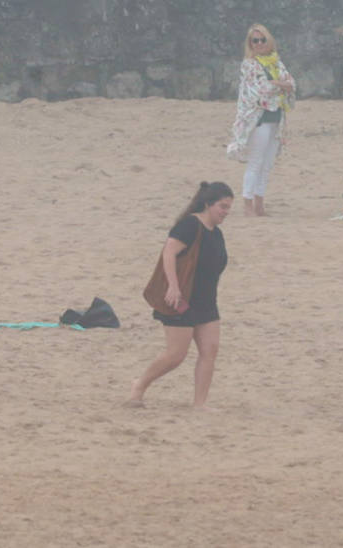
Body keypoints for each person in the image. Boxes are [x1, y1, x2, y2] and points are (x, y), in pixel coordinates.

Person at [127, 181, 234, 409]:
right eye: (222, 207)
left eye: (228, 208)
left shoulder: (217, 233)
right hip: (181, 300)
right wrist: (173, 287)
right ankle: (139, 385)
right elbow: (169, 251)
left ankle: (200, 404)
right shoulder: (189, 225)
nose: (226, 212)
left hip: (206, 302)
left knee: (210, 351)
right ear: (208, 204)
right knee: (176, 354)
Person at [227, 23, 297, 217]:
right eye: (254, 41)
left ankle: (260, 203)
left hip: (276, 118)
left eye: (262, 39)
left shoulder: (276, 62)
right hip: (258, 119)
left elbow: (292, 83)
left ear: (269, 40)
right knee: (256, 162)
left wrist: (278, 84)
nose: (258, 44)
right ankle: (247, 203)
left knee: (267, 164)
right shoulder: (249, 65)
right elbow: (258, 90)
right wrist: (280, 85)